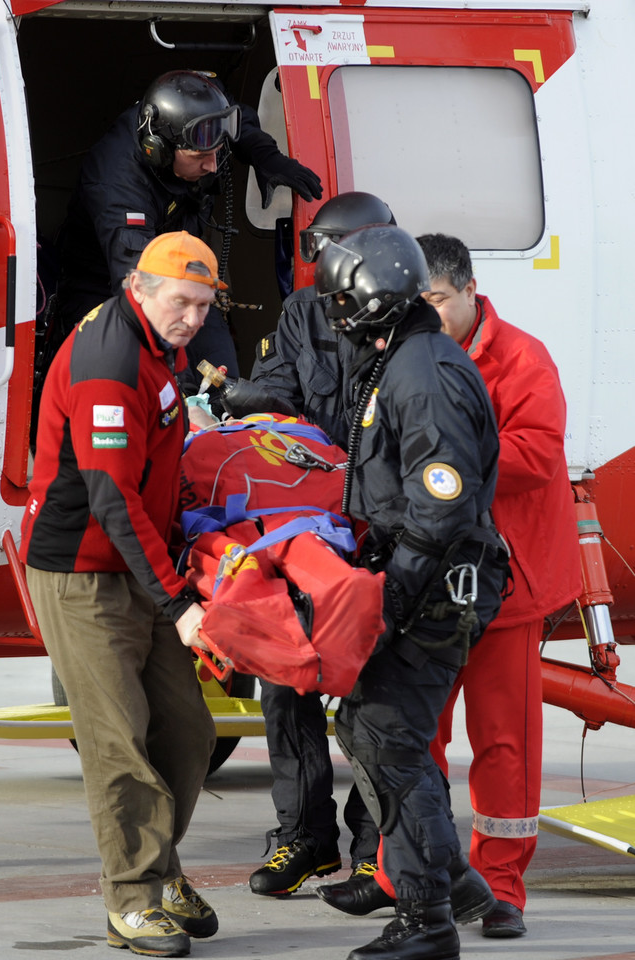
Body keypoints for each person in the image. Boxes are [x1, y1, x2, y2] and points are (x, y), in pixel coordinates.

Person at [20, 231, 226, 958]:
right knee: (119, 741)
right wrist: (178, 602)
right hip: (84, 575)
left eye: (204, 306)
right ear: (139, 287)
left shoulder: (152, 342)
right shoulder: (110, 362)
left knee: (189, 731)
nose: (194, 319)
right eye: (183, 302)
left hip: (132, 568)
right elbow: (112, 497)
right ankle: (133, 901)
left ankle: (159, 871)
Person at [312, 224, 509, 960]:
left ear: (372, 300)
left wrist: (390, 601)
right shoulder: (402, 359)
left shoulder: (421, 373)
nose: (334, 316)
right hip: (422, 573)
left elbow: (441, 502)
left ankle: (428, 920)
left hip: (435, 582)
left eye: (340, 301)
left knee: (386, 737)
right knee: (368, 729)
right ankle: (454, 885)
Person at [417, 233, 582, 936]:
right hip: (427, 580)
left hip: (503, 588)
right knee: (414, 734)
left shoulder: (521, 358)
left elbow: (538, 454)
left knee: (502, 741)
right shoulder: (410, 351)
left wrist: (442, 460)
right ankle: (412, 879)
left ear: (469, 290)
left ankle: (501, 887)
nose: (425, 315)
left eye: (435, 301)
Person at [244, 193, 396, 897]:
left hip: (380, 530)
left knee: (371, 691)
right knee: (285, 677)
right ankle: (304, 837)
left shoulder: (402, 320)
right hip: (310, 523)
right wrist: (242, 398)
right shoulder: (303, 312)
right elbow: (281, 388)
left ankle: (374, 849)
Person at [52, 68, 323, 379]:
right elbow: (142, 293)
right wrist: (178, 386)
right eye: (199, 158)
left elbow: (233, 117)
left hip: (183, 273)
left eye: (216, 154)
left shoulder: (199, 100)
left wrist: (265, 155)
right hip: (112, 287)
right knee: (139, 379)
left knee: (225, 379)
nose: (211, 166)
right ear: (160, 152)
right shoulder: (117, 187)